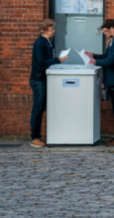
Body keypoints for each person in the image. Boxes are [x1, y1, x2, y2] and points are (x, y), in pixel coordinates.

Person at [86, 19, 114, 146]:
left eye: (106, 31)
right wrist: (93, 55)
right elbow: (106, 57)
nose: (105, 34)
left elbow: (110, 61)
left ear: (111, 29)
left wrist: (94, 62)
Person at [29, 19, 68, 148]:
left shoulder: (46, 42)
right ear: (44, 30)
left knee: (41, 107)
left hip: (42, 78)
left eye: (53, 28)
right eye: (51, 29)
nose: (53, 31)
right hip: (38, 79)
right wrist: (58, 60)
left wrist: (56, 60)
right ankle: (35, 137)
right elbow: (41, 62)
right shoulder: (40, 43)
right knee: (38, 108)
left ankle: (38, 135)